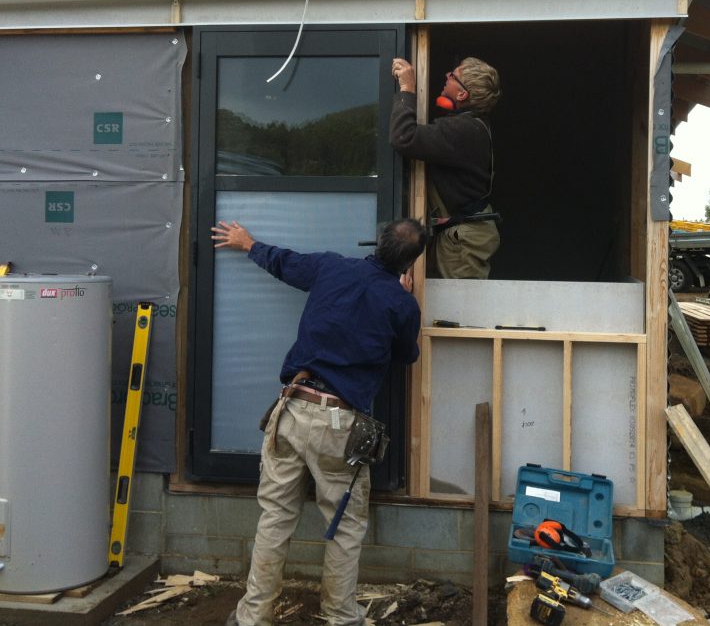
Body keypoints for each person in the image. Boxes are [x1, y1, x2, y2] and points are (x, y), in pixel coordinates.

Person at [212, 218, 426, 626]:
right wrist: (403, 300)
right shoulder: (401, 304)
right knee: (344, 528)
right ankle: (341, 616)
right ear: (410, 265)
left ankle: (252, 617)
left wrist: (248, 243)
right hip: (339, 424)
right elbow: (405, 356)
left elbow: (285, 262)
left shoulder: (332, 267)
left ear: (377, 243)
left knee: (275, 517)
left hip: (291, 409)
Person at [390, 56, 502, 279]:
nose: (447, 76)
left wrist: (407, 89)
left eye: (454, 76)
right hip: (460, 236)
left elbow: (404, 137)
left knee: (461, 310)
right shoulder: (471, 126)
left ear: (462, 94)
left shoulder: (462, 130)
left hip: (464, 241)